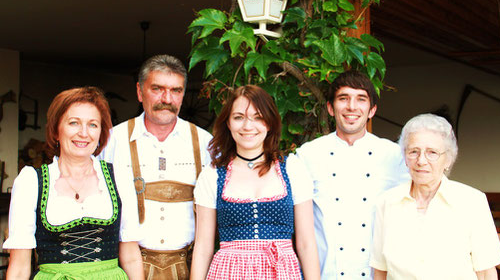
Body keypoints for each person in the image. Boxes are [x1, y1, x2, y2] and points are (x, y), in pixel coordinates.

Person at [4, 86, 143, 279]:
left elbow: (131, 257)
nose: (84, 133)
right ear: (55, 130)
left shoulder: (118, 177)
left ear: (101, 133)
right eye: (74, 123)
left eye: (93, 124)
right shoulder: (30, 182)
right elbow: (19, 267)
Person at [190, 85, 320, 280]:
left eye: (258, 117)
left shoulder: (292, 169)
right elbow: (203, 247)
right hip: (228, 273)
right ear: (228, 123)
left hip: (282, 272)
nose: (248, 126)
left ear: (269, 123)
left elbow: (306, 243)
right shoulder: (213, 175)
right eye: (239, 117)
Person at [101, 54, 213, 279]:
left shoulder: (206, 143)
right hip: (127, 270)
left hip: (192, 269)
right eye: (157, 89)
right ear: (140, 92)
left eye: (176, 90)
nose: (167, 98)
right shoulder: (112, 141)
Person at [295, 70, 409, 279]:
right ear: (330, 108)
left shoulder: (395, 156)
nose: (352, 107)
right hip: (324, 273)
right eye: (343, 98)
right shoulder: (307, 156)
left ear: (372, 110)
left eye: (361, 99)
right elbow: (302, 231)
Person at [370, 113, 500, 280]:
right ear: (405, 157)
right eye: (413, 151)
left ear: (448, 159)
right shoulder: (387, 202)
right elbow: (380, 271)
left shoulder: (472, 202)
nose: (421, 161)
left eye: (432, 152)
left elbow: (486, 273)